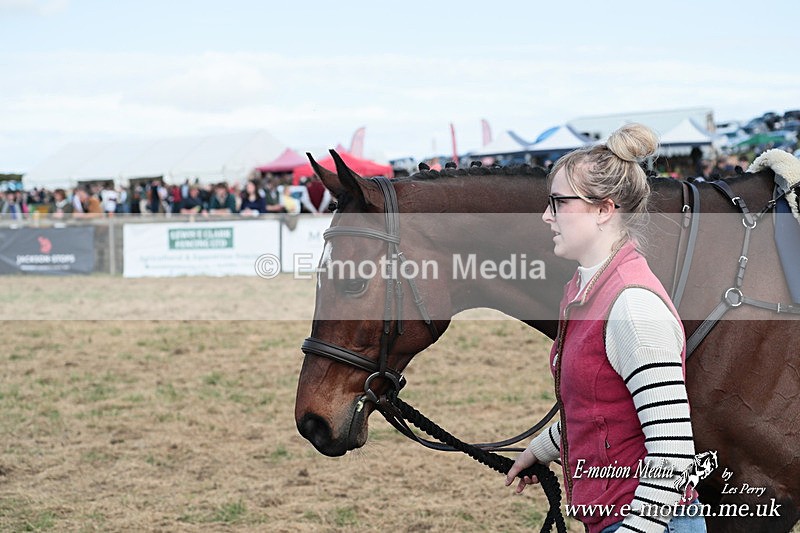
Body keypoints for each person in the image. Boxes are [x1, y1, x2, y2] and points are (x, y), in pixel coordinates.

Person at [506, 124, 705, 533]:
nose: (546, 216)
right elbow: (601, 407)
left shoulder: (632, 306)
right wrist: (541, 449)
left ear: (603, 210)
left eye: (559, 202)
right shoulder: (587, 289)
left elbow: (673, 450)